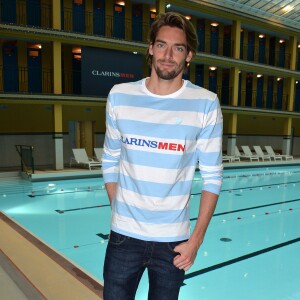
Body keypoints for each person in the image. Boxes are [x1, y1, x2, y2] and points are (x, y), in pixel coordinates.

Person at [102, 11, 223, 300]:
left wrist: (196, 240)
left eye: (178, 48)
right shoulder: (119, 95)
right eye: (161, 45)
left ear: (188, 55)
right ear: (150, 48)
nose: (168, 55)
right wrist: (121, 210)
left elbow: (212, 176)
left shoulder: (205, 103)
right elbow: (110, 160)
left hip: (173, 242)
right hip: (123, 238)